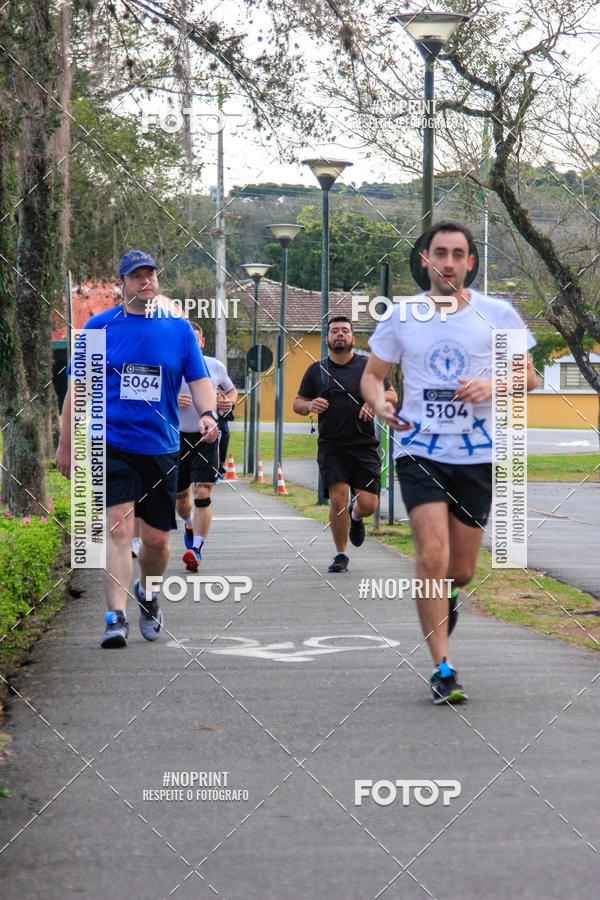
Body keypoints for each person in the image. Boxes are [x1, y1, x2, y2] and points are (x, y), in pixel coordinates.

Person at [361, 220, 536, 704]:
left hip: (477, 455)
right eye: (440, 253)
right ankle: (442, 668)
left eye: (458, 254)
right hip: (419, 450)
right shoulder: (402, 315)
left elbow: (531, 377)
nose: (449, 263)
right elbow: (373, 376)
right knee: (432, 558)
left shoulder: (497, 315)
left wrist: (493, 385)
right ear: (426, 261)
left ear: (471, 263)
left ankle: (449, 598)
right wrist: (379, 403)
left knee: (459, 571)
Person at [55, 250, 218, 649]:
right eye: (136, 276)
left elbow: (198, 379)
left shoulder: (178, 330)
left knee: (157, 541)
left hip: (160, 446)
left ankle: (148, 593)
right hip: (111, 443)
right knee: (117, 529)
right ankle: (115, 617)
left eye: (150, 274)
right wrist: (65, 444)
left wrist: (209, 413)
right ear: (121, 284)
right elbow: (77, 389)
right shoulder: (98, 328)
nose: (146, 281)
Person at [293, 316, 397, 573]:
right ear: (327, 339)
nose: (340, 334)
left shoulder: (367, 367)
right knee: (337, 499)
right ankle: (341, 554)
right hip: (332, 446)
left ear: (352, 337)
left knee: (369, 504)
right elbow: (298, 403)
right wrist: (310, 405)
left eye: (345, 331)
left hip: (364, 445)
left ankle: (357, 515)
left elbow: (392, 394)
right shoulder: (316, 371)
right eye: (335, 331)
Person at [176, 323, 238, 571]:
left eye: (194, 340)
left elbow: (231, 391)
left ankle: (197, 550)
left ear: (201, 343)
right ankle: (189, 523)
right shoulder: (168, 366)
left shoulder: (214, 366)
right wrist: (171, 399)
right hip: (175, 438)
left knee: (202, 494)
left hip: (206, 437)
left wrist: (228, 404)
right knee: (181, 501)